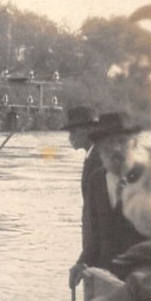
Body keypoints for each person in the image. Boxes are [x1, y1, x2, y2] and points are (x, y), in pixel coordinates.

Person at [27, 131, 151, 301]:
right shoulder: (96, 179)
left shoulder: (150, 179)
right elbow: (93, 234)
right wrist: (81, 263)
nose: (113, 153)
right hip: (111, 276)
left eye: (121, 145)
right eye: (107, 147)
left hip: (142, 278)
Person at [71, 113, 146, 287]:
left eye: (122, 141)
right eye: (108, 143)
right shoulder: (96, 181)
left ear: (134, 143)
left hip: (141, 283)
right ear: (100, 148)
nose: (116, 149)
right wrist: (81, 263)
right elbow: (95, 237)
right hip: (103, 276)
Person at [63, 106, 103, 290]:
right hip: (94, 252)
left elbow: (100, 217)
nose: (70, 136)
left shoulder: (100, 160)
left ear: (89, 130)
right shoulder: (92, 157)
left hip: (101, 255)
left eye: (74, 130)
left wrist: (85, 259)